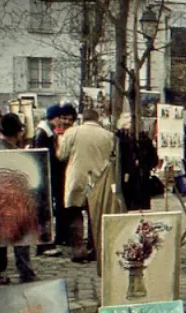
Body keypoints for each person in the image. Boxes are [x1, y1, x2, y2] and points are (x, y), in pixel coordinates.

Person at [58, 109, 114, 263]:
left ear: (83, 119)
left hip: (77, 178)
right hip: (97, 180)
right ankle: (94, 248)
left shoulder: (72, 132)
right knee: (94, 214)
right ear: (97, 120)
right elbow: (111, 157)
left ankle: (78, 250)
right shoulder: (108, 136)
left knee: (75, 212)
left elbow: (61, 155)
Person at [0, 113, 37, 284]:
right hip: (8, 200)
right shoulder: (3, 149)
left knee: (2, 239)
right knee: (19, 239)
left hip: (2, 201)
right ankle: (23, 272)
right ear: (18, 131)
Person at [33, 104, 65, 256]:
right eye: (60, 118)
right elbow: (44, 156)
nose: (62, 121)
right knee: (45, 211)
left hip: (49, 175)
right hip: (47, 176)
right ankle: (44, 244)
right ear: (55, 118)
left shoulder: (47, 131)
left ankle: (47, 241)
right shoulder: (44, 133)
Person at [116, 113, 158, 211]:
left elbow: (153, 159)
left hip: (140, 180)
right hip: (126, 180)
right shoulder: (119, 138)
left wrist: (144, 166)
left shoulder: (143, 139)